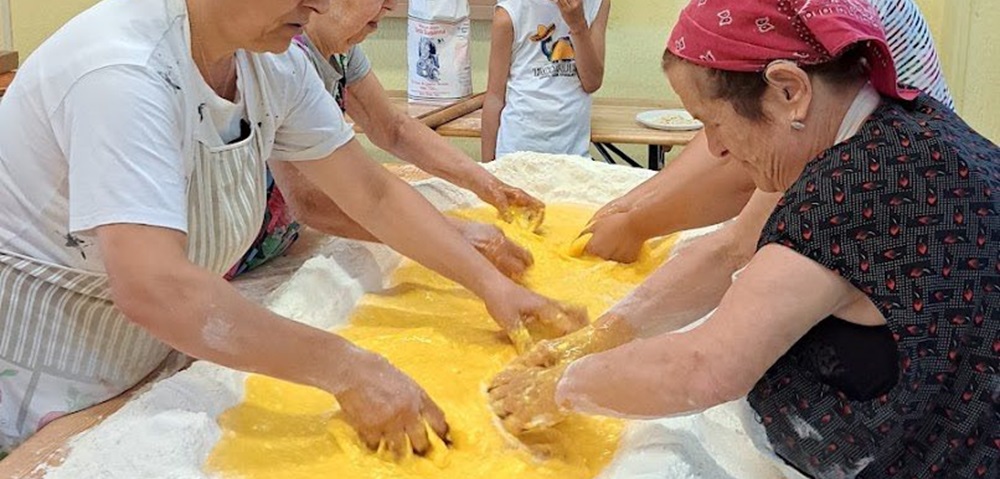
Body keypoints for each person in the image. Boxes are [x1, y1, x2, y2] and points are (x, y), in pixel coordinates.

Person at [488, 1, 999, 479]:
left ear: (789, 91)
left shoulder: (857, 188)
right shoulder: (890, 130)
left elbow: (703, 368)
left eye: (713, 123)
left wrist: (559, 387)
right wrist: (608, 331)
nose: (717, 150)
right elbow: (733, 249)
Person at [0, 0, 586, 455]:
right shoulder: (122, 72)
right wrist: (349, 370)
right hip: (40, 375)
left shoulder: (266, 58)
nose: (318, 2)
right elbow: (155, 285)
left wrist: (493, 287)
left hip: (141, 351)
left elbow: (373, 193)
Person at [582, 0, 954, 264]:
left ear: (791, 90)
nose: (716, 142)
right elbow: (729, 115)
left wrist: (637, 225)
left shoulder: (827, 132)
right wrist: (632, 204)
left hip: (911, 206)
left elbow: (750, 181)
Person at [229, 0, 546, 282]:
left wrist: (489, 186)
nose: (391, 5)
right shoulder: (283, 57)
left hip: (273, 248)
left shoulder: (340, 51)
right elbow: (312, 201)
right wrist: (454, 235)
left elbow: (394, 129)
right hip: (228, 258)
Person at [482, 0, 611, 161]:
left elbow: (592, 82)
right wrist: (487, 170)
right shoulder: (509, 12)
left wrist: (578, 25)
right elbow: (494, 97)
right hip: (517, 151)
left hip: (573, 154)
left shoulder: (597, 4)